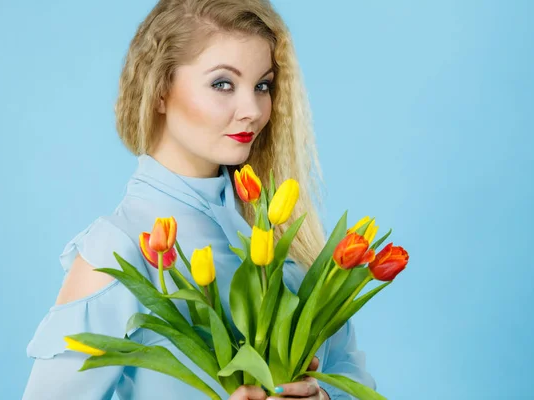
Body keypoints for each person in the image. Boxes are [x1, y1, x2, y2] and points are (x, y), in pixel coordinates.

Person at [22, 0, 376, 398]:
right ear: (158, 90)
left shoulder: (280, 232)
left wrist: (324, 397)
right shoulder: (119, 251)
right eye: (223, 83)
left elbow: (353, 377)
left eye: (263, 85)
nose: (253, 111)